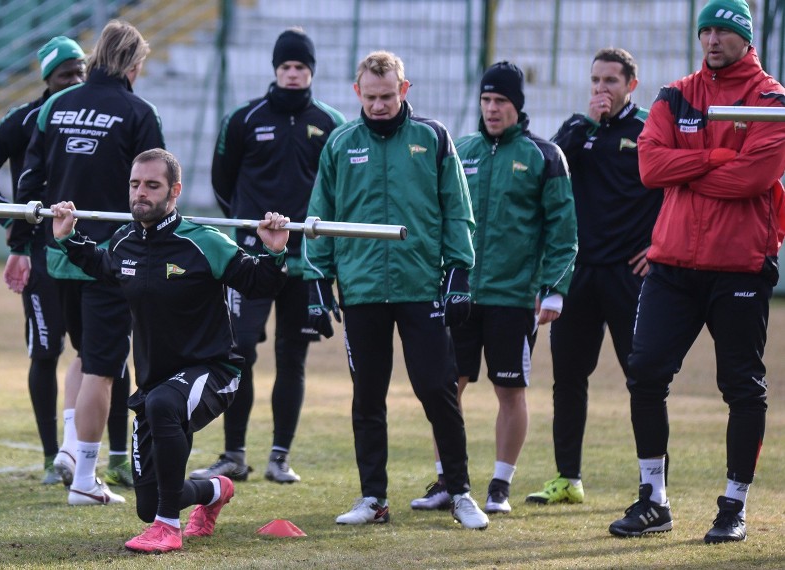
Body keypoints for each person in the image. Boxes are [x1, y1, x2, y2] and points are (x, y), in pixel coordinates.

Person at [49, 148, 290, 553]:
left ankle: (167, 528)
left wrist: (274, 250)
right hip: (159, 381)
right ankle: (214, 491)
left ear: (174, 191)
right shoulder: (125, 239)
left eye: (152, 186)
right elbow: (106, 267)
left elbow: (258, 283)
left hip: (214, 372)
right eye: (135, 185)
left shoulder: (204, 242)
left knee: (162, 404)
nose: (140, 193)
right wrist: (68, 238)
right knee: (151, 499)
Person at [607, 0, 785, 544]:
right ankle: (653, 498)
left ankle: (733, 505)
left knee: (741, 386)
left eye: (722, 32)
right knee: (645, 372)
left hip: (739, 265)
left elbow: (753, 179)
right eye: (704, 30)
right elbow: (650, 165)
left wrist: (689, 166)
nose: (711, 39)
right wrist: (713, 158)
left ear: (745, 39)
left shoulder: (771, 98)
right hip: (672, 265)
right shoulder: (675, 93)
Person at [304, 50, 489, 530]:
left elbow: (457, 209)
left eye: (388, 96)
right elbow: (318, 219)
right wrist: (317, 283)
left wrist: (459, 272)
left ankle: (460, 490)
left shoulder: (432, 138)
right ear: (357, 93)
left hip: (419, 284)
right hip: (362, 289)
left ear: (404, 90)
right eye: (371, 97)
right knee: (367, 395)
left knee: (436, 388)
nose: (380, 105)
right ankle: (373, 499)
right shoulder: (340, 144)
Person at [0, 36, 132, 487]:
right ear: (46, 79)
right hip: (42, 254)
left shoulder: (103, 114)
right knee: (46, 350)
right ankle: (50, 458)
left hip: (95, 252)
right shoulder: (27, 118)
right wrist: (13, 224)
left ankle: (118, 454)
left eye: (80, 71)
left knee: (105, 353)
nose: (74, 80)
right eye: (64, 75)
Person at [8, 20, 165, 505]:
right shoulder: (139, 111)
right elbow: (153, 187)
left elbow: (29, 183)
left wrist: (19, 242)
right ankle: (84, 481)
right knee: (103, 365)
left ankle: (71, 449)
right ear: (134, 65)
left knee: (83, 356)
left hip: (59, 256)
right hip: (111, 259)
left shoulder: (55, 106)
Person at [411, 62, 577, 515]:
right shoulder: (459, 150)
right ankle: (449, 480)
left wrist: (554, 288)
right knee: (447, 388)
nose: (492, 109)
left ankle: (500, 485)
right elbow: (436, 217)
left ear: (517, 105)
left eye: (501, 101)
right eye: (486, 100)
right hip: (461, 294)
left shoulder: (545, 157)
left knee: (511, 391)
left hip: (514, 298)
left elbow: (563, 233)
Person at [190, 28, 345, 484]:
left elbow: (335, 191)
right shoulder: (243, 119)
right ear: (275, 70)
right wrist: (247, 227)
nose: (293, 74)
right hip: (251, 262)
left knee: (291, 357)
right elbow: (223, 181)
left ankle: (280, 457)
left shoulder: (331, 123)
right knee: (238, 354)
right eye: (286, 67)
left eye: (300, 67)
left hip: (304, 263)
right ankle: (234, 454)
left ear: (311, 71)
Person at [524, 48, 662, 506]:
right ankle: (568, 477)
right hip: (578, 274)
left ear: (631, 86)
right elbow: (546, 170)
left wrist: (660, 245)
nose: (602, 89)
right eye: (596, 80)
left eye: (610, 81)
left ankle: (653, 485)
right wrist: (581, 125)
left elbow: (678, 190)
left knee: (642, 380)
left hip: (629, 276)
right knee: (568, 378)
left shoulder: (648, 130)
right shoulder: (577, 129)